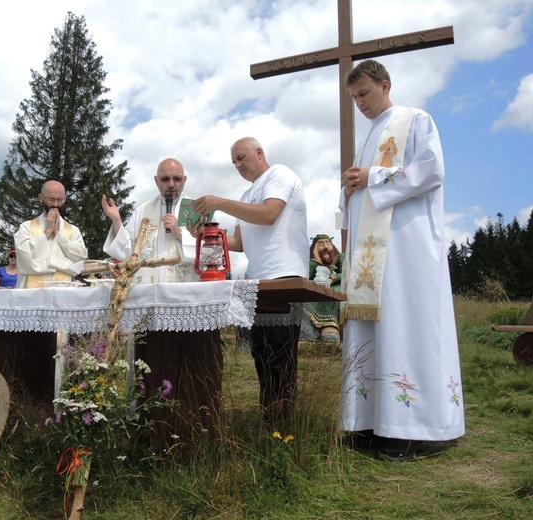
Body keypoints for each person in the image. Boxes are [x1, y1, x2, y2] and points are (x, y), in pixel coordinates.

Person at [339, 59, 464, 461]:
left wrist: (371, 178)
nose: (360, 103)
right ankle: (372, 423)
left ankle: (413, 429)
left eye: (365, 94)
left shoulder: (415, 119)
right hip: (373, 259)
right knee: (374, 329)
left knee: (407, 327)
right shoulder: (370, 135)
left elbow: (431, 170)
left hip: (407, 250)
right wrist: (350, 189)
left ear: (385, 85)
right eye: (355, 98)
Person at [194, 137, 310, 424]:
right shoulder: (246, 197)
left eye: (241, 157)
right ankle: (270, 417)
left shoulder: (279, 174)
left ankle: (282, 422)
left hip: (285, 275)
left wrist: (220, 203)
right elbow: (240, 243)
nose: (238, 164)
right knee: (261, 350)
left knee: (281, 350)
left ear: (260, 153)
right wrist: (204, 236)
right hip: (258, 278)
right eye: (234, 161)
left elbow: (270, 214)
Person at [101, 158, 198, 284]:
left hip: (183, 292)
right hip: (148, 291)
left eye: (177, 179)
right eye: (165, 179)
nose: (171, 184)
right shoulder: (142, 211)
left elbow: (208, 253)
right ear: (156, 181)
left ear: (185, 180)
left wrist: (179, 233)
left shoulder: (197, 209)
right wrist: (117, 221)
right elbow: (127, 252)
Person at [14, 180, 88, 288]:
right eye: (51, 199)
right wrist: (47, 232)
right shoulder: (27, 227)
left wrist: (59, 234)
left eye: (59, 199)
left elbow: (80, 258)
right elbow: (23, 257)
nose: (55, 204)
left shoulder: (73, 230)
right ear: (41, 198)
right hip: (31, 291)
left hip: (63, 287)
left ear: (65, 199)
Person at [305, 234, 344, 343]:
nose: (325, 247)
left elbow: (346, 272)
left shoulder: (339, 257)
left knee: (333, 291)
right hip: (318, 288)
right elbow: (309, 276)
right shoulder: (312, 262)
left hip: (337, 285)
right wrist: (317, 259)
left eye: (328, 243)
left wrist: (332, 278)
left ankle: (330, 326)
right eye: (320, 244)